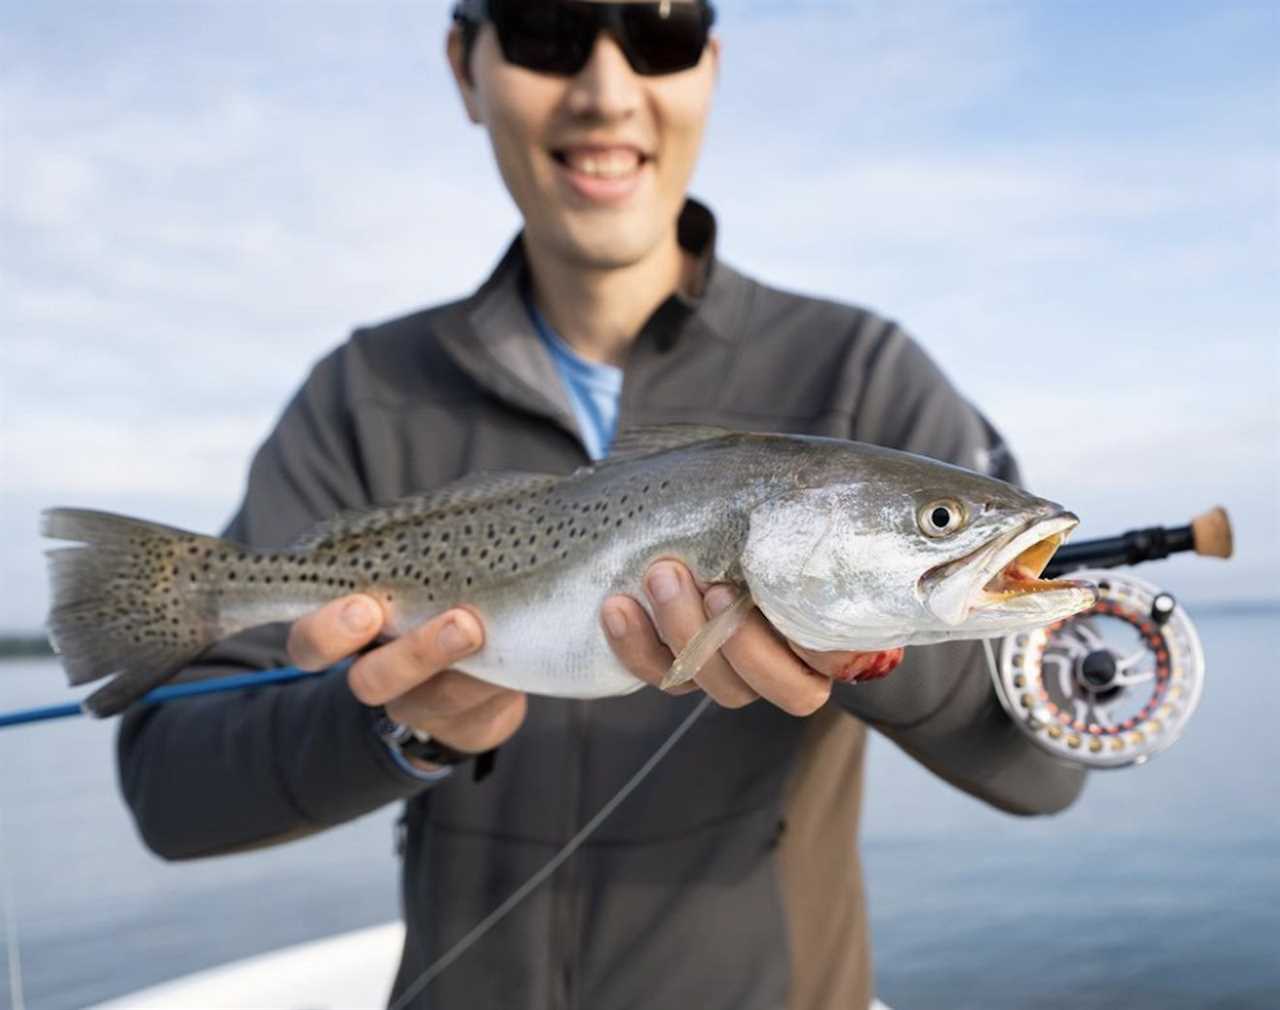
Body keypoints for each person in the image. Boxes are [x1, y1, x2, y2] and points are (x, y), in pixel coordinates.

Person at [117, 2, 1086, 1007]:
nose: (606, 90)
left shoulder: (863, 374)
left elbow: (1044, 770)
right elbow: (168, 793)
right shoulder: (361, 395)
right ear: (464, 66)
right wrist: (400, 727)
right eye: (545, 29)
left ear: (708, 67)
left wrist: (865, 653)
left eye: (658, 34)